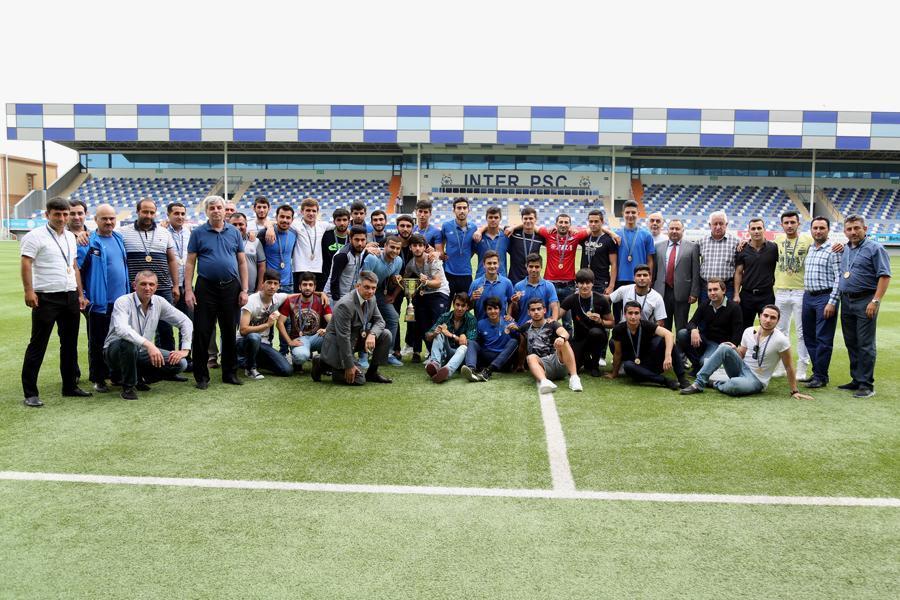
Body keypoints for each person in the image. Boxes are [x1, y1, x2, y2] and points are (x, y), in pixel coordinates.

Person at [20, 197, 91, 407]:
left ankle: (70, 386)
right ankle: (30, 393)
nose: (62, 218)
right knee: (38, 344)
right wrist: (29, 291)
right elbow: (26, 263)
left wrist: (80, 294)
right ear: (47, 215)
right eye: (57, 214)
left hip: (69, 296)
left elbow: (74, 266)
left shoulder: (70, 236)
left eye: (65, 214)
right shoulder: (35, 236)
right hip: (46, 297)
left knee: (69, 344)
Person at [184, 196, 249, 389]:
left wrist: (244, 289)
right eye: (212, 208)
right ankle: (201, 376)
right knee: (202, 331)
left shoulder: (234, 232)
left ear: (224, 210)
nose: (216, 210)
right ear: (207, 211)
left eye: (219, 207)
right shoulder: (198, 233)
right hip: (206, 288)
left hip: (231, 287)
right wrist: (188, 290)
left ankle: (230, 373)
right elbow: (190, 262)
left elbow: (242, 262)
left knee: (229, 332)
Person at [681, 305, 813, 399]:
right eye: (765, 316)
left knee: (735, 385)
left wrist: (794, 391)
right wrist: (734, 349)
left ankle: (716, 383)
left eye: (773, 318)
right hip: (741, 368)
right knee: (724, 347)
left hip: (757, 380)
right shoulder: (748, 331)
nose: (768, 320)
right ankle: (699, 383)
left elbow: (789, 366)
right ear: (760, 316)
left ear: (777, 321)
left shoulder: (781, 340)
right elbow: (741, 355)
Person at [104, 271, 192, 400]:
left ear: (156, 287)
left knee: (180, 363)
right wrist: (149, 345)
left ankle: (140, 378)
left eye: (151, 284)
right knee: (128, 344)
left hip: (141, 352)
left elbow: (185, 321)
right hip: (115, 352)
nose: (147, 288)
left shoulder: (159, 302)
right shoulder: (123, 301)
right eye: (143, 284)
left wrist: (185, 349)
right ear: (134, 285)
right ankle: (128, 387)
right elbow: (122, 330)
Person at [836, 215, 891, 398]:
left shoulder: (875, 248)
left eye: (856, 228)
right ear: (845, 231)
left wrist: (875, 301)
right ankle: (857, 379)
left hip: (865, 300)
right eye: (849, 229)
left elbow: (884, 276)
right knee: (851, 342)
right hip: (847, 301)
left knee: (865, 344)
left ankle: (867, 385)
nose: (853, 232)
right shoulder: (846, 248)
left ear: (865, 229)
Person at [80, 204, 131, 393]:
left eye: (111, 218)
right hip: (99, 303)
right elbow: (78, 271)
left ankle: (116, 375)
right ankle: (98, 378)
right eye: (104, 218)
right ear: (95, 220)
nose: (109, 222)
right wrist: (83, 296)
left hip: (121, 303)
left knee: (119, 340)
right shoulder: (88, 242)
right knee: (98, 342)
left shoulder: (118, 238)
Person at [118, 198, 180, 350]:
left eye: (152, 212)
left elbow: (172, 260)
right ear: (138, 211)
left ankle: (166, 362)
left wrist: (175, 285)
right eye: (145, 212)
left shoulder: (164, 232)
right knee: (134, 328)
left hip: (162, 287)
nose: (149, 215)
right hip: (135, 289)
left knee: (165, 328)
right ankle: (136, 361)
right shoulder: (122, 232)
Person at [311, 271, 393, 385]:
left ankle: (372, 373)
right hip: (338, 344)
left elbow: (380, 321)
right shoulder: (345, 305)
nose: (370, 291)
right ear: (357, 286)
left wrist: (372, 334)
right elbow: (343, 338)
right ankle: (322, 363)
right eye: (367, 287)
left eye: (373, 288)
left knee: (385, 334)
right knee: (359, 380)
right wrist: (349, 366)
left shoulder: (371, 299)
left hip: (355, 338)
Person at [606, 301, 689, 390]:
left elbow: (669, 334)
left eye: (636, 313)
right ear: (625, 314)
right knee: (628, 365)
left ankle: (682, 378)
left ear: (640, 315)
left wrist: (668, 356)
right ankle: (665, 381)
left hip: (651, 362)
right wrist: (614, 373)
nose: (633, 316)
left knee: (668, 341)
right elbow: (618, 353)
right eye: (630, 313)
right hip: (636, 368)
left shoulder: (646, 324)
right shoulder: (618, 329)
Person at [800, 216, 842, 389]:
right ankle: (818, 372)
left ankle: (821, 376)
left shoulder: (834, 250)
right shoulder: (810, 248)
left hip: (825, 297)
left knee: (823, 338)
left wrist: (832, 302)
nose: (818, 231)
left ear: (828, 230)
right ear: (811, 230)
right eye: (815, 228)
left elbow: (839, 278)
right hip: (808, 296)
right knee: (809, 337)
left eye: (822, 228)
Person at [772, 210, 814, 379]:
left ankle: (802, 368)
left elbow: (825, 245)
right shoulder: (777, 240)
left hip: (800, 291)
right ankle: (781, 367)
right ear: (782, 225)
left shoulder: (808, 240)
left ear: (798, 224)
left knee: (802, 331)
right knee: (780, 331)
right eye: (786, 223)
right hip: (781, 290)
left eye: (792, 222)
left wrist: (837, 245)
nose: (789, 226)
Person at [676, 278, 744, 374]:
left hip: (720, 345)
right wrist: (694, 330)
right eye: (710, 290)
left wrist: (730, 349)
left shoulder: (734, 308)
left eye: (715, 289)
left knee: (705, 362)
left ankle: (701, 366)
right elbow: (692, 322)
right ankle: (697, 365)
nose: (712, 293)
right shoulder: (705, 304)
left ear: (724, 290)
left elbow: (737, 332)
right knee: (682, 334)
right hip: (704, 340)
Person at [236, 269, 293, 379]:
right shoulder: (251, 300)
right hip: (244, 342)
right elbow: (243, 330)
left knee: (287, 370)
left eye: (275, 283)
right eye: (269, 282)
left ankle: (244, 361)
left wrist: (320, 294)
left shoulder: (278, 298)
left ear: (279, 286)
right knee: (254, 337)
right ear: (262, 284)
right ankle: (250, 368)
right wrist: (267, 325)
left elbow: (298, 296)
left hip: (264, 344)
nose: (272, 286)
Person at [537, 213, 590, 331]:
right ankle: (548, 342)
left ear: (570, 225)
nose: (563, 224)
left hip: (568, 286)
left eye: (566, 222)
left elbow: (593, 227)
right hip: (550, 285)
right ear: (556, 224)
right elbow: (530, 225)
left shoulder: (575, 236)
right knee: (548, 319)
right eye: (560, 222)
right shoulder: (548, 234)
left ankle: (568, 343)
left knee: (568, 322)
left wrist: (612, 233)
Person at [404, 233, 450, 362]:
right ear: (410, 247)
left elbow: (438, 283)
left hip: (440, 292)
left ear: (425, 247)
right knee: (423, 324)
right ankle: (431, 354)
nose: (417, 248)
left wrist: (425, 282)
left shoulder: (432, 259)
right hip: (425, 294)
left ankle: (442, 355)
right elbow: (405, 280)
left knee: (436, 324)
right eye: (414, 245)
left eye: (420, 245)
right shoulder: (411, 264)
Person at [559, 269, 614, 376]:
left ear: (592, 283)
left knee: (595, 333)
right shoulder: (572, 299)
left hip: (597, 337)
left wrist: (601, 321)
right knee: (572, 369)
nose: (584, 286)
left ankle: (595, 365)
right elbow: (557, 315)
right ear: (577, 284)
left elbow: (612, 323)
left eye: (587, 283)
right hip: (579, 338)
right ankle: (586, 359)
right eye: (581, 283)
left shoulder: (601, 299)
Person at [523, 298, 582, 394]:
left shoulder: (552, 323)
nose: (536, 312)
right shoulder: (526, 327)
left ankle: (574, 378)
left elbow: (565, 333)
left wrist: (561, 338)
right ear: (528, 312)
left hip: (557, 361)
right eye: (533, 310)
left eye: (539, 309)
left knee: (564, 342)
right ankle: (545, 382)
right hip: (542, 366)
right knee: (530, 357)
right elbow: (518, 339)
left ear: (544, 310)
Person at [363, 235, 405, 366]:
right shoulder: (373, 258)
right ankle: (363, 355)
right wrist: (367, 297)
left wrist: (394, 281)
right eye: (392, 247)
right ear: (385, 246)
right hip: (364, 293)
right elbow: (363, 279)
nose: (395, 251)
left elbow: (391, 281)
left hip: (379, 292)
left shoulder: (398, 261)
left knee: (393, 317)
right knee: (365, 319)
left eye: (398, 248)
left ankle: (387, 353)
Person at [278, 271, 333, 371]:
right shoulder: (291, 301)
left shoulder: (322, 301)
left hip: (317, 337)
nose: (307, 287)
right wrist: (289, 341)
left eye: (310, 285)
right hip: (299, 339)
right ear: (299, 287)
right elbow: (280, 323)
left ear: (314, 287)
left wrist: (326, 330)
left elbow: (333, 322)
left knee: (333, 336)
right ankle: (296, 360)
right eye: (304, 284)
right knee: (301, 356)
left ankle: (324, 363)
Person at [652, 218, 700, 332]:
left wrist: (694, 293)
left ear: (683, 230)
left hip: (683, 293)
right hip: (662, 292)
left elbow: (695, 272)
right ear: (667, 230)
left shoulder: (692, 247)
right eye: (672, 228)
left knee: (681, 327)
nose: (674, 231)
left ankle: (680, 344)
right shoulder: (658, 247)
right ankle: (665, 344)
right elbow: (655, 270)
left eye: (677, 229)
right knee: (663, 326)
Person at [461, 296, 520, 382]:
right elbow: (476, 341)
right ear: (485, 311)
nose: (493, 311)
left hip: (503, 360)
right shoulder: (481, 324)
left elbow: (521, 337)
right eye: (489, 309)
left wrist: (517, 329)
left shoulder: (508, 321)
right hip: (486, 357)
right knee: (471, 342)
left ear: (500, 310)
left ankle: (489, 371)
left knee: (514, 341)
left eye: (496, 308)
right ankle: (471, 369)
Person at [734, 218, 779, 329]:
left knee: (768, 327)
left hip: (766, 295)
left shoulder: (773, 248)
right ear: (749, 231)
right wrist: (736, 294)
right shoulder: (742, 249)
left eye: (759, 228)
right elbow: (738, 272)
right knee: (744, 328)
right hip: (747, 295)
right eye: (753, 229)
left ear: (764, 229)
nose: (756, 231)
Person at [423, 292, 476, 383]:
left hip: (460, 357)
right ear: (453, 304)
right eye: (457, 305)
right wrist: (434, 334)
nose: (460, 308)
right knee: (438, 334)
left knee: (464, 347)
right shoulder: (445, 317)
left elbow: (470, 342)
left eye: (463, 306)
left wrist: (451, 335)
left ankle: (447, 371)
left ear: (467, 307)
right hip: (445, 353)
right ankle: (435, 364)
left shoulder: (471, 319)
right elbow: (428, 336)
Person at [614, 200, 656, 293]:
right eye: (627, 212)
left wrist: (649, 279)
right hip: (620, 279)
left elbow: (650, 260)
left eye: (633, 212)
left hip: (640, 278)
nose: (630, 215)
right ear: (622, 213)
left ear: (638, 213)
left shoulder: (646, 235)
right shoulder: (616, 235)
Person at [697, 211, 739, 304]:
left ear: (726, 225)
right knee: (705, 312)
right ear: (710, 225)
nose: (718, 227)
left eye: (721, 223)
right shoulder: (701, 242)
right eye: (715, 224)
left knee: (727, 312)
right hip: (706, 288)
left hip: (727, 288)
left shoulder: (736, 242)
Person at [440, 197, 478, 296]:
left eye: (464, 208)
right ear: (454, 210)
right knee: (446, 303)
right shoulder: (446, 226)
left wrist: (467, 256)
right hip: (448, 272)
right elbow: (441, 241)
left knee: (465, 303)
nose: (462, 211)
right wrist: (442, 253)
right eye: (459, 208)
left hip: (466, 273)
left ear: (468, 210)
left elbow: (474, 248)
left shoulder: (474, 227)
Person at [509, 253, 559, 327]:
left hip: (543, 328)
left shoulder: (549, 286)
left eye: (537, 267)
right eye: (531, 266)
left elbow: (554, 306)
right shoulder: (518, 286)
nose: (534, 270)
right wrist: (515, 302)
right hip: (523, 327)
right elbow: (515, 311)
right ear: (526, 266)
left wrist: (554, 322)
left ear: (541, 267)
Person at [325, 225, 370, 302]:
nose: (360, 243)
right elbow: (334, 280)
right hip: (335, 297)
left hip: (350, 296)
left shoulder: (363, 252)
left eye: (363, 240)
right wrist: (337, 300)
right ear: (350, 239)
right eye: (356, 240)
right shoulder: (343, 255)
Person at [261, 204, 298, 293]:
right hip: (270, 283)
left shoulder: (294, 234)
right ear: (276, 217)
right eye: (282, 216)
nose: (285, 220)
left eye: (288, 217)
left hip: (288, 284)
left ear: (292, 219)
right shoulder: (265, 233)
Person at [580, 209, 617, 294]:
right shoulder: (584, 238)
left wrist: (611, 286)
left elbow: (614, 264)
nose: (593, 224)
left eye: (596, 221)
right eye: (591, 221)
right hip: (584, 282)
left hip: (601, 283)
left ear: (602, 222)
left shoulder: (609, 240)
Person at [469, 250, 514, 320]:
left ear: (498, 264)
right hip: (480, 323)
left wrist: (508, 314)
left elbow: (511, 302)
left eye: (494, 263)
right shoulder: (475, 284)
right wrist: (472, 299)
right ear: (484, 265)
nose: (492, 266)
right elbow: (468, 307)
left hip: (500, 324)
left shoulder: (507, 283)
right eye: (489, 263)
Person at [506, 206, 546, 285]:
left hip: (533, 280)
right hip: (515, 280)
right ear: (522, 219)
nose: (528, 221)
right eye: (525, 218)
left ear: (535, 219)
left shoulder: (540, 237)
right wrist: (513, 227)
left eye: (531, 218)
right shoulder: (513, 234)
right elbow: (499, 228)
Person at [472, 206, 510, 278]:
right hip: (481, 278)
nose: (493, 220)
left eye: (496, 217)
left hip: (501, 279)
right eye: (490, 217)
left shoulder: (506, 237)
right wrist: (480, 230)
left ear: (500, 219)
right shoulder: (478, 236)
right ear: (486, 218)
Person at [319, 207, 351, 290]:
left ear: (349, 221)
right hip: (327, 279)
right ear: (334, 222)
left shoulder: (353, 238)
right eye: (338, 220)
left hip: (346, 280)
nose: (342, 223)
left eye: (344, 220)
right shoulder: (325, 235)